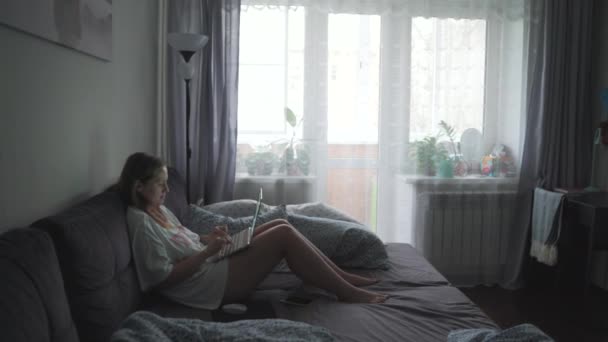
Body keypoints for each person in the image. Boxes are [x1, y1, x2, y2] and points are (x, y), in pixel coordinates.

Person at [118, 152, 388, 310]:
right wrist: (207, 253)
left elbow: (183, 239)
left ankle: (342, 277)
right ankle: (346, 291)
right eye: (160, 184)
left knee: (280, 224)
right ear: (139, 186)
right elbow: (162, 278)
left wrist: (208, 239)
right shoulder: (141, 224)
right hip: (208, 287)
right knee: (283, 236)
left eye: (167, 184)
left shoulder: (158, 210)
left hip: (212, 262)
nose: (167, 190)